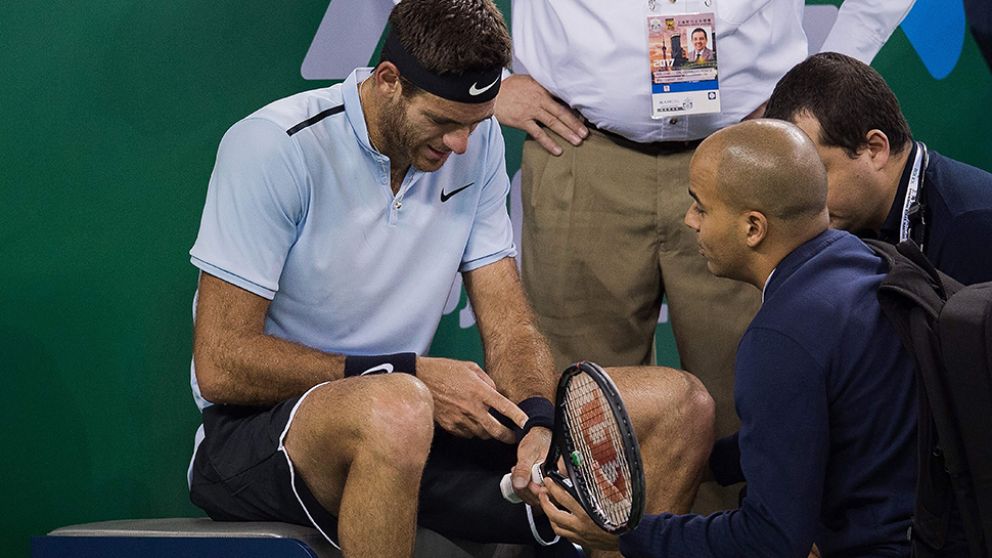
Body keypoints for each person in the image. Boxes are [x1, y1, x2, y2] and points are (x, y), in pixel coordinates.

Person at [185, 0, 714, 556]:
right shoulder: (275, 146)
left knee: (678, 403)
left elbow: (508, 325)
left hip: (411, 423)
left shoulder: (473, 142)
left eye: (475, 123)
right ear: (388, 81)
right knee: (396, 406)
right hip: (261, 436)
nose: (460, 144)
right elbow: (221, 364)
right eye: (442, 122)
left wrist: (537, 421)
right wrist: (405, 374)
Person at [496, 0, 915, 512]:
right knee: (581, 417)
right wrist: (488, 78)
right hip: (580, 148)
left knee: (754, 412)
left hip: (749, 152)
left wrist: (814, 98)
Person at [537, 119, 917, 557]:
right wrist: (706, 462)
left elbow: (770, 541)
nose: (689, 221)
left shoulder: (780, 337)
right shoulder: (862, 260)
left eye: (701, 207)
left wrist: (629, 536)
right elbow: (816, 423)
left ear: (753, 227)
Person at [765, 51, 992, 285]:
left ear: (875, 148)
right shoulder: (854, 221)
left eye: (815, 175)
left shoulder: (972, 228)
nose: (804, 201)